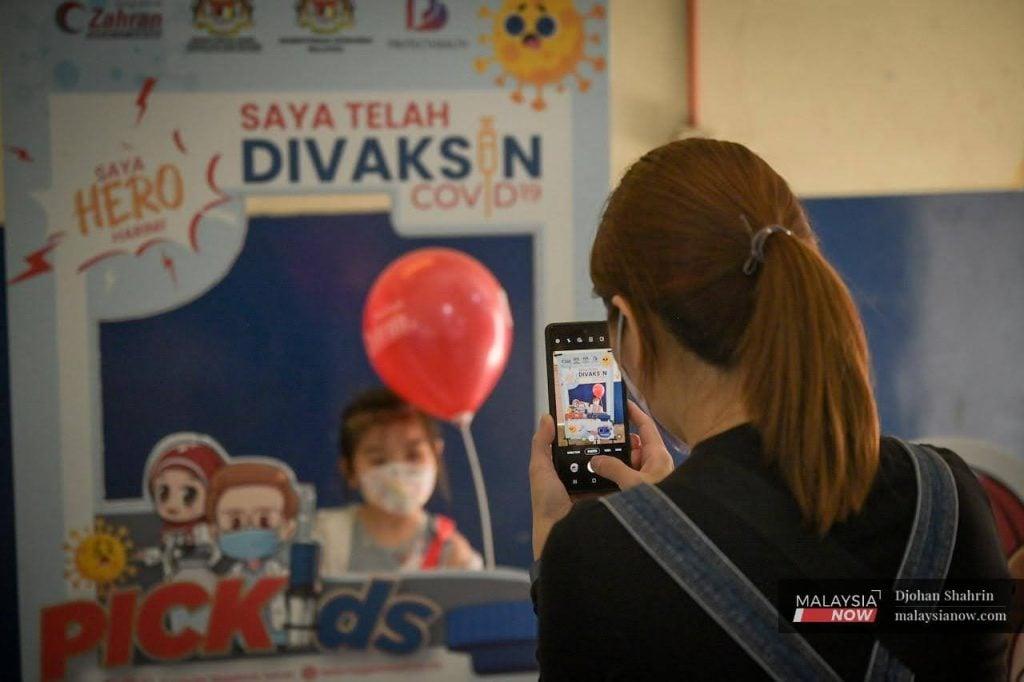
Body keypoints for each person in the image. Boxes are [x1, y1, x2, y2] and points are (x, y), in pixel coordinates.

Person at [528, 139, 1010, 679]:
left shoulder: (597, 561)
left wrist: (576, 547)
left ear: (629, 329)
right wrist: (660, 525)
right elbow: (831, 610)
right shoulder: (950, 496)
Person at [315, 387, 482, 575]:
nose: (398, 472)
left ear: (436, 456)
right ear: (350, 471)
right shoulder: (322, 539)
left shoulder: (454, 555)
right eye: (378, 460)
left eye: (413, 456)